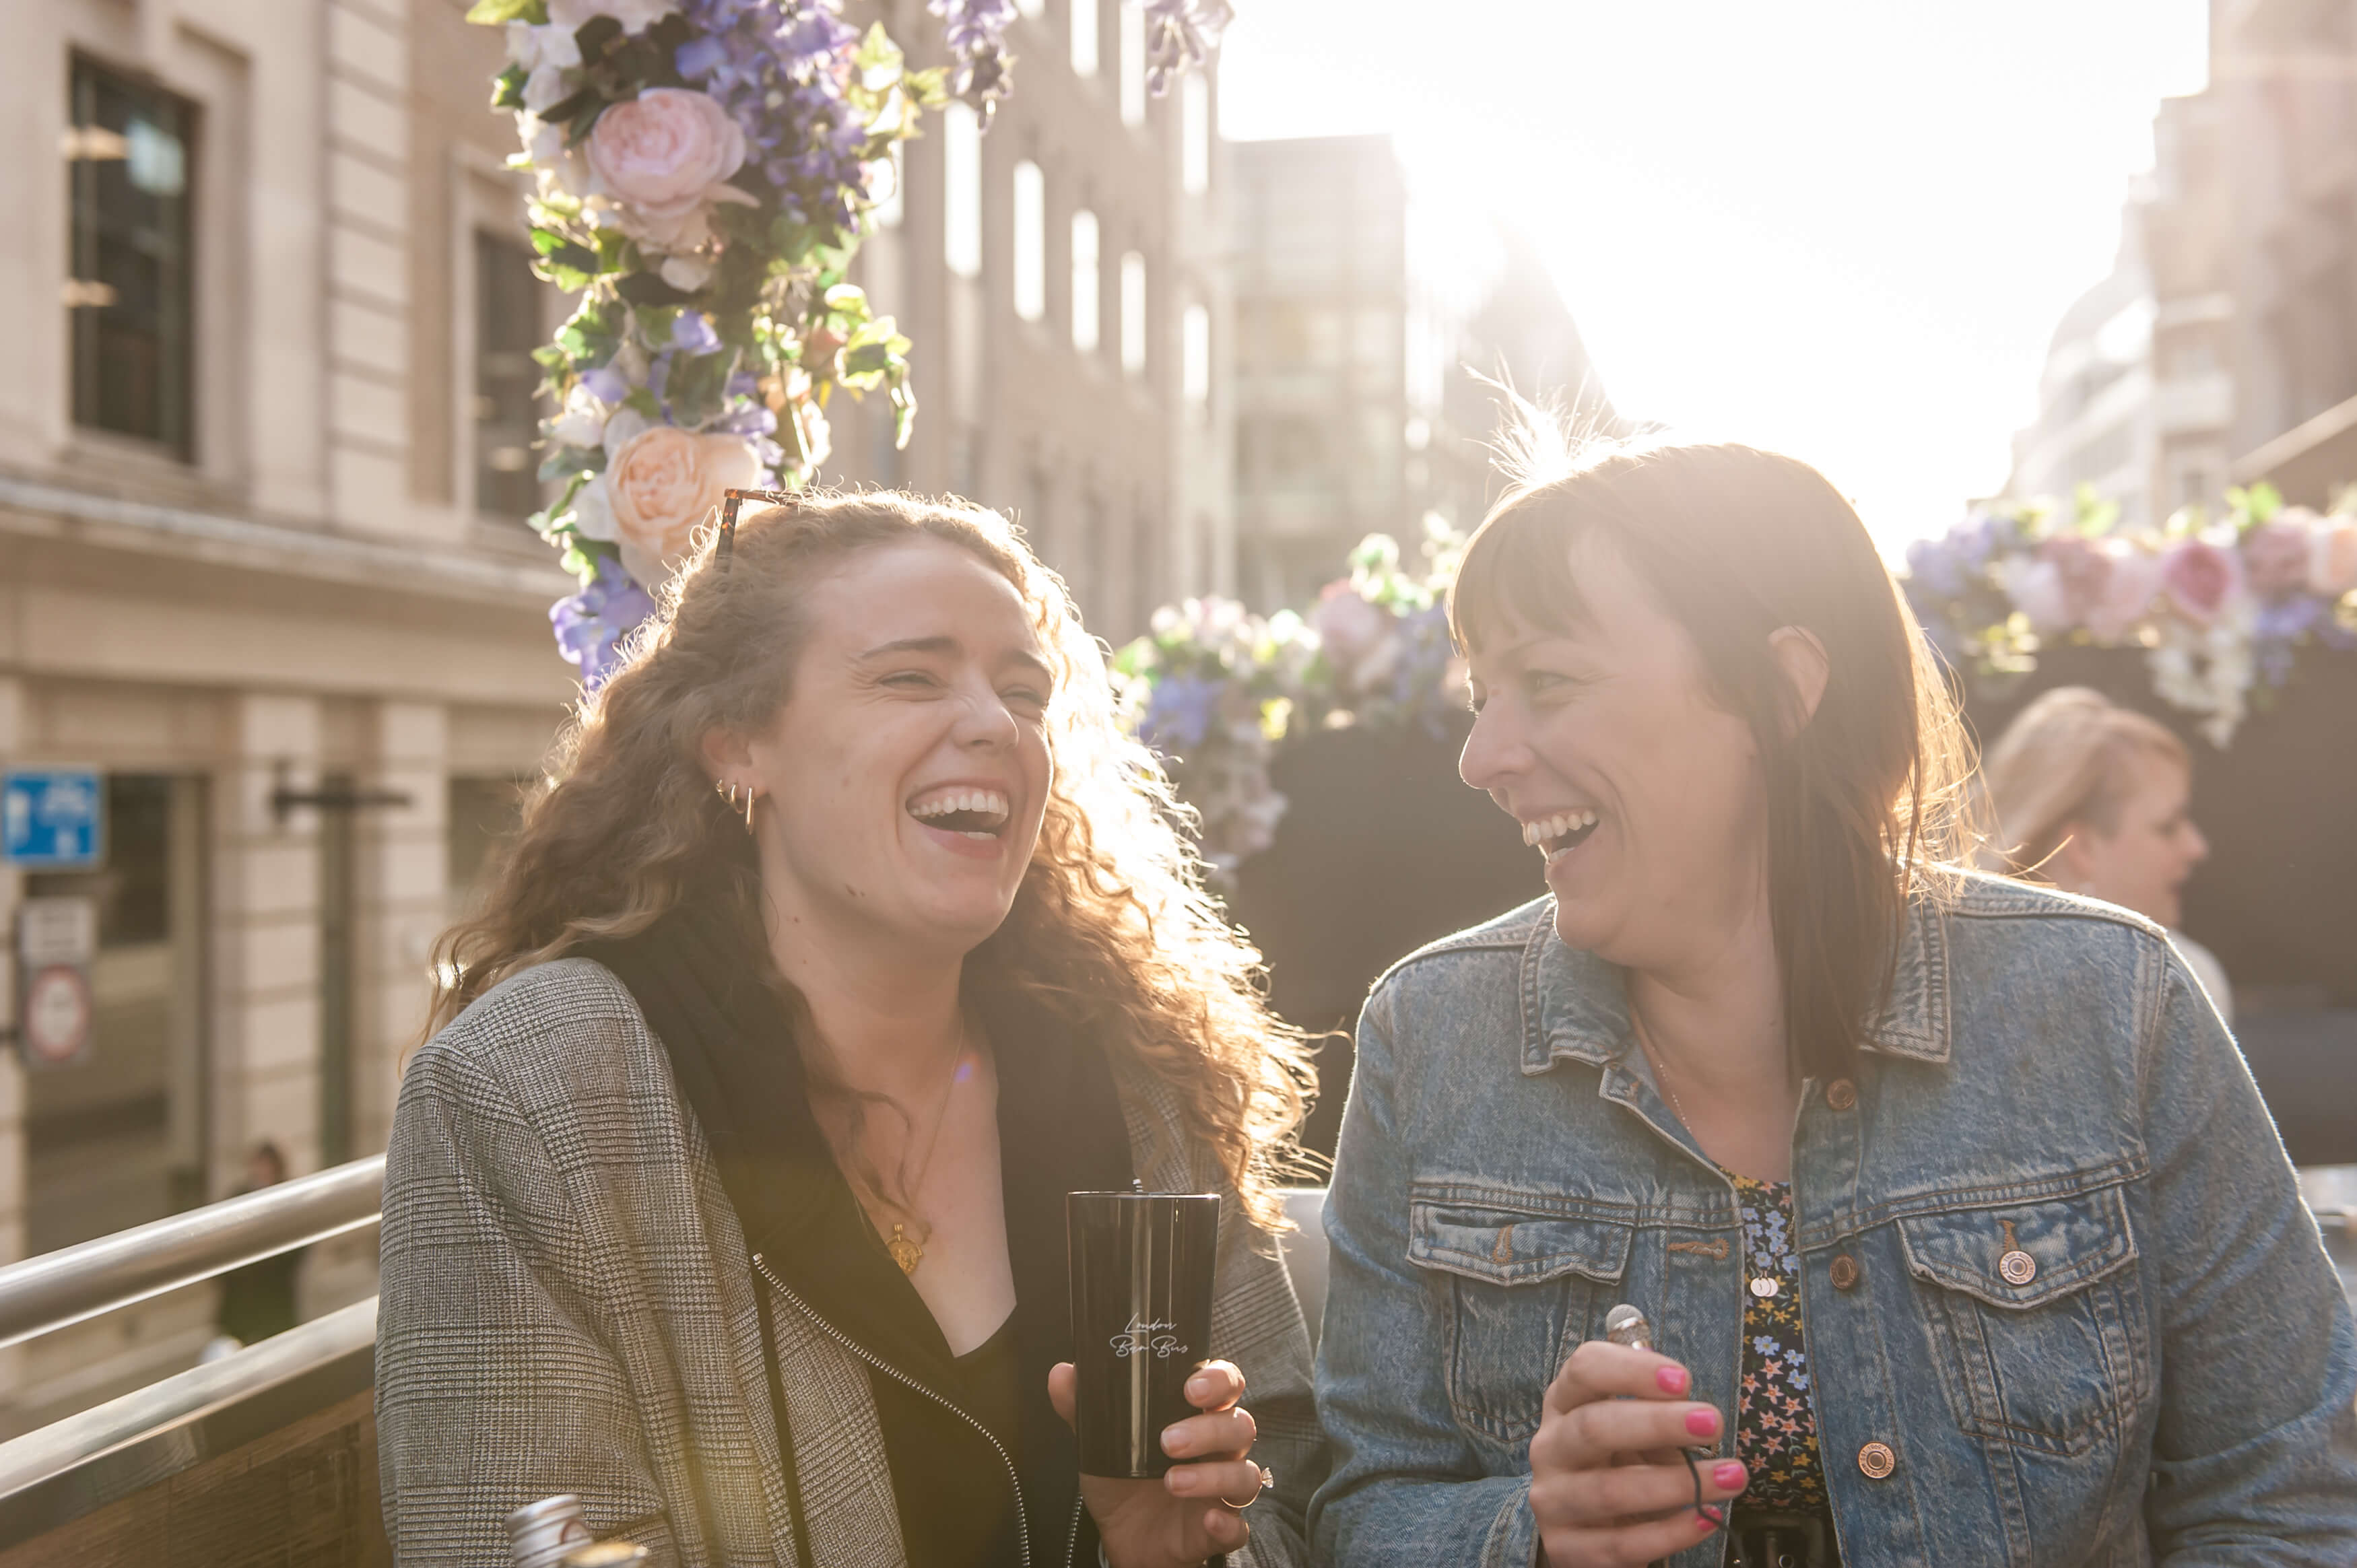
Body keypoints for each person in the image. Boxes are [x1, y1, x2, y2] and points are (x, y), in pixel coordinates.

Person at [1310, 428, 2357, 1567]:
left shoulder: (2113, 1002)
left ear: (1780, 687)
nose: (1482, 755)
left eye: (1549, 681)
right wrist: (1533, 1530)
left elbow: (2295, 1497)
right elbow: (1363, 1505)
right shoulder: (1430, 1034)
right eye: (1483, 694)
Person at [378, 490, 1320, 1567]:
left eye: (1024, 691)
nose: (994, 724)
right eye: (910, 676)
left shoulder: (1139, 1075)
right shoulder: (527, 1092)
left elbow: (1295, 1496)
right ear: (737, 746)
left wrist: (1175, 1558)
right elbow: (514, 1541)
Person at [1981, 685, 2232, 1023]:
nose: (2197, 847)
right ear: (2082, 848)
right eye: (2168, 827)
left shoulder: (1951, 971)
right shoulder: (2180, 984)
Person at [207, 1140, 301, 1355]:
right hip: (240, 1311)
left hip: (274, 1308)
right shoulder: (237, 1199)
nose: (262, 1172)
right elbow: (220, 1248)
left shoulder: (288, 1201)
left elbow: (295, 1254)